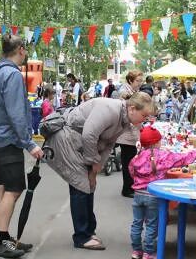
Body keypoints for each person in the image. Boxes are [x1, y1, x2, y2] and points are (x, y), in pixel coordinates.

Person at [46, 93, 155, 250]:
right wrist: (93, 163)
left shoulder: (124, 120)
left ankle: (89, 230)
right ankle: (82, 236)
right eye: (143, 115)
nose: (144, 119)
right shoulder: (111, 109)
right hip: (67, 140)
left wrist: (96, 168)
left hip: (81, 144)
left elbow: (109, 144)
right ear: (132, 109)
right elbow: (89, 134)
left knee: (89, 185)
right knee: (80, 186)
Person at [0, 35, 44, 258]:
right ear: (20, 49)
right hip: (8, 139)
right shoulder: (12, 74)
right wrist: (29, 144)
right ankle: (2, 241)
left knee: (0, 186)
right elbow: (16, 113)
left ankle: (5, 237)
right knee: (14, 188)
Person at [128, 126, 196, 259]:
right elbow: (179, 159)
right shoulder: (162, 155)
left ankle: (136, 250)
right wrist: (195, 154)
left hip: (138, 194)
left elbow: (131, 171)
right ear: (155, 143)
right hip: (153, 195)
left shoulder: (137, 157)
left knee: (136, 223)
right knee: (152, 224)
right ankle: (148, 252)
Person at [116, 70, 144, 197]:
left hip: (132, 132)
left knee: (131, 161)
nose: (140, 83)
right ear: (130, 80)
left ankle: (130, 186)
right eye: (137, 81)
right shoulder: (124, 91)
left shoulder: (133, 92)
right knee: (128, 162)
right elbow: (127, 109)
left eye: (140, 80)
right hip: (126, 133)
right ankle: (127, 189)